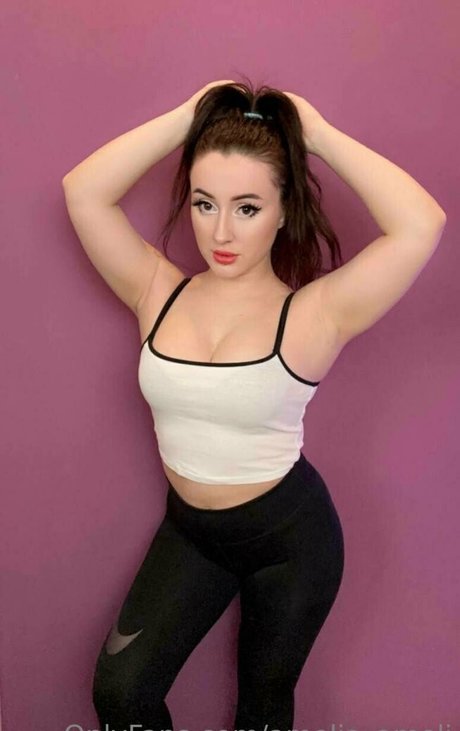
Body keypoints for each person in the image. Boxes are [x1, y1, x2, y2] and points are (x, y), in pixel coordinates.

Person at [62, 78, 446, 730]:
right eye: (204, 203)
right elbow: (83, 192)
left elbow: (421, 223)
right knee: (121, 693)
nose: (221, 230)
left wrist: (317, 135)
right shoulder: (156, 289)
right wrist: (187, 118)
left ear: (284, 209)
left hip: (290, 541)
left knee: (262, 713)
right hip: (192, 531)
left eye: (247, 207)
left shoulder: (316, 313)